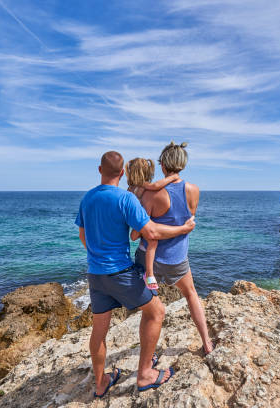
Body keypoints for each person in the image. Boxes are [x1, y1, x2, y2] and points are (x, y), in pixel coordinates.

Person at [75, 151, 195, 398]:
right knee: (156, 312)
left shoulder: (87, 199)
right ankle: (145, 375)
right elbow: (150, 232)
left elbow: (82, 235)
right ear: (121, 173)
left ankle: (101, 383)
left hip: (95, 274)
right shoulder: (126, 199)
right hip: (119, 272)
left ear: (99, 170)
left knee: (99, 331)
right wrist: (182, 228)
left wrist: (98, 256)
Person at [131, 142, 214, 355]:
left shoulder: (151, 195)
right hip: (177, 257)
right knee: (191, 294)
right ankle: (207, 343)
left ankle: (147, 354)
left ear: (163, 165)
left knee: (150, 311)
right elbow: (188, 223)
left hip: (148, 258)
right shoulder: (194, 191)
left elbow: (141, 232)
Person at [125, 158, 179, 290]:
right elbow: (157, 185)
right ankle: (149, 274)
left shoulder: (130, 189)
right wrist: (173, 177)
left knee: (138, 237)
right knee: (153, 241)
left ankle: (149, 275)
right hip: (143, 220)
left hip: (136, 221)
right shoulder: (146, 186)